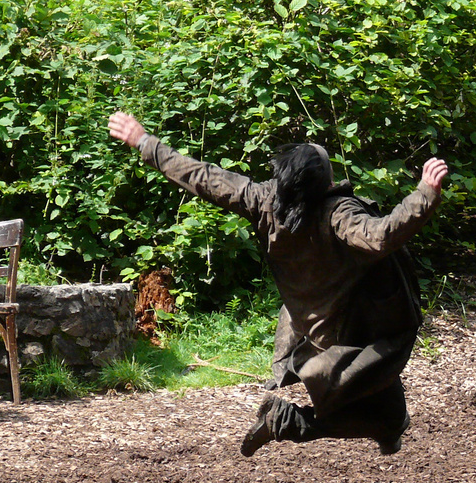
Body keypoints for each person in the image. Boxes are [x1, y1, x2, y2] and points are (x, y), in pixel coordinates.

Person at [107, 111, 448, 457]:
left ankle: (385, 432)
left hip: (313, 328)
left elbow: (201, 177)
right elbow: (380, 236)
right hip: (357, 333)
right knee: (387, 414)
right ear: (322, 181)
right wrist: (425, 193)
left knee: (389, 408)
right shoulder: (337, 214)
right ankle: (288, 421)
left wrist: (145, 142)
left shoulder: (263, 202)